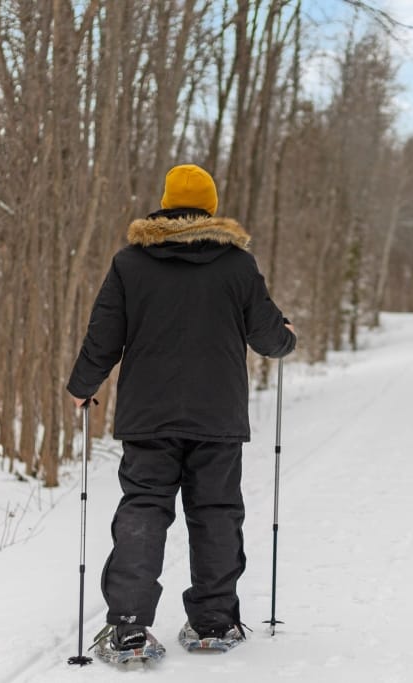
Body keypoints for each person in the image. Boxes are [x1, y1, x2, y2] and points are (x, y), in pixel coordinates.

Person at [66, 163, 296, 656]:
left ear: (166, 203)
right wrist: (287, 336)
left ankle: (128, 626)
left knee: (144, 509)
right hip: (218, 418)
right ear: (210, 207)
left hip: (149, 417)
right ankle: (213, 623)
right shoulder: (237, 265)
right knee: (215, 512)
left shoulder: (131, 263)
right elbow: (269, 338)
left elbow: (103, 336)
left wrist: (82, 386)